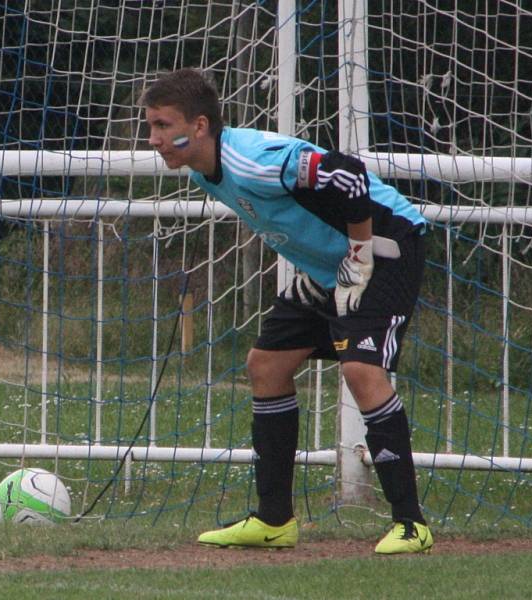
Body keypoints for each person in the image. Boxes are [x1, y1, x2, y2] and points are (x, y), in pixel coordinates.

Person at [140, 68, 432, 555]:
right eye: (149, 127)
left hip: (385, 248)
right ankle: (275, 521)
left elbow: (348, 175)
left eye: (163, 126)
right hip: (329, 266)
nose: (154, 140)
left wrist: (359, 251)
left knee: (361, 370)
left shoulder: (254, 161)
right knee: (267, 365)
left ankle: (412, 524)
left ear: (201, 126)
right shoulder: (203, 172)